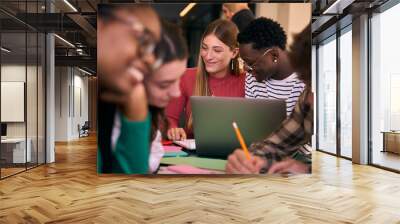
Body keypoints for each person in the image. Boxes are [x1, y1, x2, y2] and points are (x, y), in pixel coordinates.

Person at [225, 24, 313, 174]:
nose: (309, 99)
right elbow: (279, 141)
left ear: (274, 55)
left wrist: (306, 170)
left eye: (251, 64)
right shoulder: (307, 98)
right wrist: (254, 158)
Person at [97, 4, 162, 174]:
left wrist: (136, 108)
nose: (150, 59)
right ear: (101, 25)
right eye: (143, 40)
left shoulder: (117, 102)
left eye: (153, 48)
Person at [166, 19, 245, 141]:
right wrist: (172, 129)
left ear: (234, 52)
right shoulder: (186, 76)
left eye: (217, 50)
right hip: (192, 154)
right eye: (204, 48)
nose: (208, 56)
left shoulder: (246, 81)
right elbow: (169, 118)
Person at [238, 17, 305, 117]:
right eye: (244, 62)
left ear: (273, 55)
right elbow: (251, 120)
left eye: (250, 63)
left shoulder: (305, 81)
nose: (245, 69)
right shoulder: (252, 78)